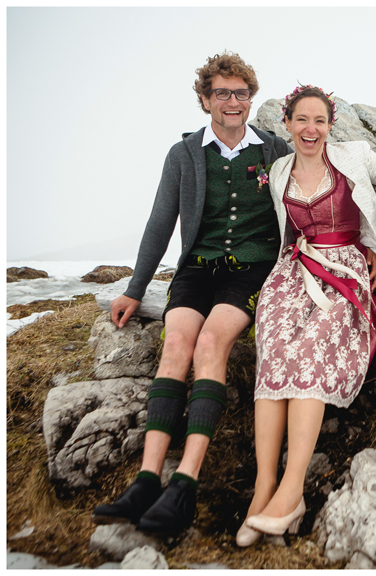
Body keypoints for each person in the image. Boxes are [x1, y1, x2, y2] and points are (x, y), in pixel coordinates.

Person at [91, 52, 292, 536]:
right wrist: (135, 288)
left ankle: (184, 486)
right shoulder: (183, 155)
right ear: (204, 100)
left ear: (251, 98)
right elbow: (160, 222)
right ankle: (145, 480)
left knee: (209, 343)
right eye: (221, 93)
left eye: (241, 93)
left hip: (251, 270)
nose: (232, 101)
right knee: (176, 344)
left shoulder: (274, 150)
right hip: (196, 270)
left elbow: (309, 199)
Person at [235, 85, 376, 547]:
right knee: (273, 363)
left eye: (320, 121)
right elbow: (282, 230)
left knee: (308, 356)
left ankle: (292, 493)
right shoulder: (279, 169)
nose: (311, 129)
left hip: (345, 272)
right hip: (293, 272)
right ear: (286, 123)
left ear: (331, 126)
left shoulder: (355, 157)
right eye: (301, 120)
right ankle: (263, 489)